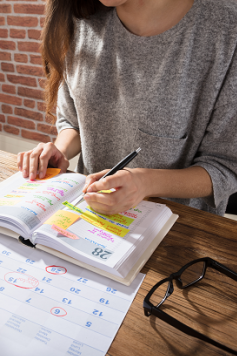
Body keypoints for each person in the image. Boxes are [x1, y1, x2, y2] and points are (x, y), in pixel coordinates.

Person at [17, 0, 237, 216]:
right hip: (91, 217)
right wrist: (59, 151)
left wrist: (145, 183)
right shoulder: (80, 18)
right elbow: (73, 122)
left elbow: (226, 167)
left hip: (178, 231)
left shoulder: (226, 27)